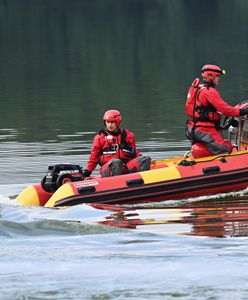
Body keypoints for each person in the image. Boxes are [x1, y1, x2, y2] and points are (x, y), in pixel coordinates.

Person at [185, 64, 248, 157]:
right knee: (226, 148)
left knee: (221, 146)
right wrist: (242, 112)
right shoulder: (209, 91)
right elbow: (225, 109)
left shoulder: (199, 88)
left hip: (193, 128)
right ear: (210, 76)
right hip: (204, 129)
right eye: (217, 76)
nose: (218, 78)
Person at [83, 109, 151, 177]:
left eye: (112, 122)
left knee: (145, 159)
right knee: (116, 162)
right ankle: (117, 183)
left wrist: (142, 160)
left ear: (117, 122)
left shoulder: (128, 135)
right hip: (108, 168)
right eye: (108, 122)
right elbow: (93, 158)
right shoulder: (99, 138)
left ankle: (144, 182)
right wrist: (87, 173)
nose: (109, 125)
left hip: (125, 167)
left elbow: (135, 153)